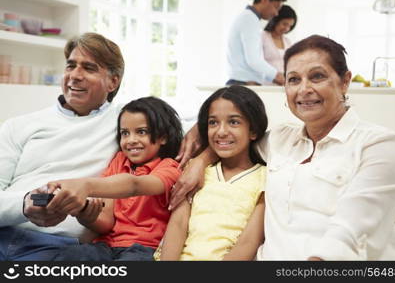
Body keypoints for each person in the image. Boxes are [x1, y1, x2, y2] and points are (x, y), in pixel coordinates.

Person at [171, 35, 395, 260]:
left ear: (345, 82)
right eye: (294, 80)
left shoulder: (380, 147)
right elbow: (231, 140)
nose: (304, 89)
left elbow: (347, 237)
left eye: (317, 76)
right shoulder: (280, 140)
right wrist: (200, 160)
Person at [0, 32, 125, 261]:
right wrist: (25, 204)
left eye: (89, 68)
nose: (75, 76)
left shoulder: (128, 122)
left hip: (56, 248)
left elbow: (201, 126)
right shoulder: (18, 125)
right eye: (70, 66)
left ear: (113, 81)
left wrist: (199, 161)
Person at [43, 97, 183, 261]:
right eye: (125, 133)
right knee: (70, 256)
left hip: (143, 248)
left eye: (141, 132)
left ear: (163, 137)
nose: (131, 140)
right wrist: (83, 212)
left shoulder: (170, 168)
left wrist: (86, 185)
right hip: (104, 245)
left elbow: (135, 185)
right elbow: (106, 222)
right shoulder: (119, 161)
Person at [155, 85, 267, 260]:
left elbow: (249, 241)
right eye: (213, 122)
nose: (221, 131)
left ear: (253, 130)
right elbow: (178, 225)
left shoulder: (265, 178)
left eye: (234, 122)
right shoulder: (195, 173)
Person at [226, 0, 287, 86]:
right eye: (276, 7)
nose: (276, 13)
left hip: (242, 82)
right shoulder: (249, 19)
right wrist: (278, 76)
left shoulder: (248, 18)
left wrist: (275, 77)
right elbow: (254, 60)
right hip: (243, 83)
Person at [262, 4, 297, 85]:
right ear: (275, 20)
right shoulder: (262, 37)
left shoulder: (288, 42)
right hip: (265, 84)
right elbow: (256, 63)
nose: (287, 28)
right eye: (284, 24)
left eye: (290, 26)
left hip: (283, 84)